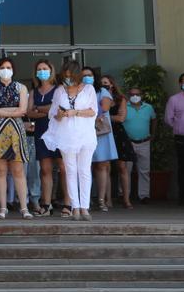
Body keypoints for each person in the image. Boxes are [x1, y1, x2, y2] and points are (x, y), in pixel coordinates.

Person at [42, 60, 99, 219]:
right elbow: (53, 113)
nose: (68, 80)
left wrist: (75, 112)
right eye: (65, 77)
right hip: (66, 136)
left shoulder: (88, 89)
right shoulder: (60, 90)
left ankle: (85, 207)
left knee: (84, 170)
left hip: (85, 135)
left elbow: (93, 111)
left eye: (70, 76)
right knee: (70, 170)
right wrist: (59, 115)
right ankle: (75, 207)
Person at [0, 58, 31, 220]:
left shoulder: (21, 87)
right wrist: (13, 112)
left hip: (16, 132)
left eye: (9, 67)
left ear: (13, 69)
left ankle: (24, 208)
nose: (6, 70)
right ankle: (2, 208)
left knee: (18, 170)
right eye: (2, 67)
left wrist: (2, 111)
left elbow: (23, 110)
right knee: (0, 170)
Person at [27, 61, 59, 217]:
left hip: (59, 132)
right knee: (45, 170)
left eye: (45, 69)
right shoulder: (34, 92)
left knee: (64, 170)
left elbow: (59, 109)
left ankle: (68, 204)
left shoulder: (59, 89)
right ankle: (46, 204)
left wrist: (39, 109)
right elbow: (29, 112)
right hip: (41, 132)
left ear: (51, 70)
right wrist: (49, 110)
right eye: (39, 69)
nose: (42, 71)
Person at [84, 67, 117, 213]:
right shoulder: (78, 92)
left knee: (101, 166)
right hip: (84, 132)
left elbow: (104, 107)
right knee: (85, 166)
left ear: (94, 77)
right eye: (84, 75)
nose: (87, 78)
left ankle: (101, 200)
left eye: (89, 75)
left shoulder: (102, 92)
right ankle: (87, 199)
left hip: (100, 133)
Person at [102, 74, 133, 209]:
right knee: (105, 167)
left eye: (106, 82)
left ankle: (126, 199)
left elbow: (121, 118)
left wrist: (106, 116)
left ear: (112, 84)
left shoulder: (120, 99)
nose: (104, 85)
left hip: (118, 134)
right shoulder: (98, 97)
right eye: (101, 83)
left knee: (122, 167)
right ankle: (108, 200)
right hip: (103, 133)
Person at [123, 83, 157, 204]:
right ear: (128, 96)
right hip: (128, 143)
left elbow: (154, 120)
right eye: (132, 94)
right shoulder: (124, 107)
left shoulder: (148, 107)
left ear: (142, 95)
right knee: (125, 170)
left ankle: (144, 195)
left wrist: (152, 135)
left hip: (144, 142)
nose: (135, 96)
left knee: (144, 170)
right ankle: (124, 195)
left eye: (137, 94)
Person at [166, 72, 184, 206]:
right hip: (182, 138)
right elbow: (168, 119)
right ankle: (183, 196)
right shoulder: (174, 99)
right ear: (180, 83)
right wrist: (179, 127)